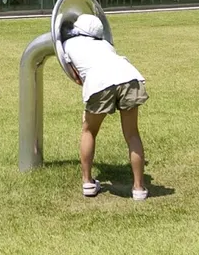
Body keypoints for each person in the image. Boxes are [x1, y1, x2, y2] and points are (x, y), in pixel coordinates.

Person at [61, 13, 149, 201]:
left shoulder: (67, 45)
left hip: (99, 82)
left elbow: (75, 76)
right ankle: (139, 188)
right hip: (129, 77)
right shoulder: (106, 44)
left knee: (89, 131)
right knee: (132, 134)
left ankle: (88, 183)